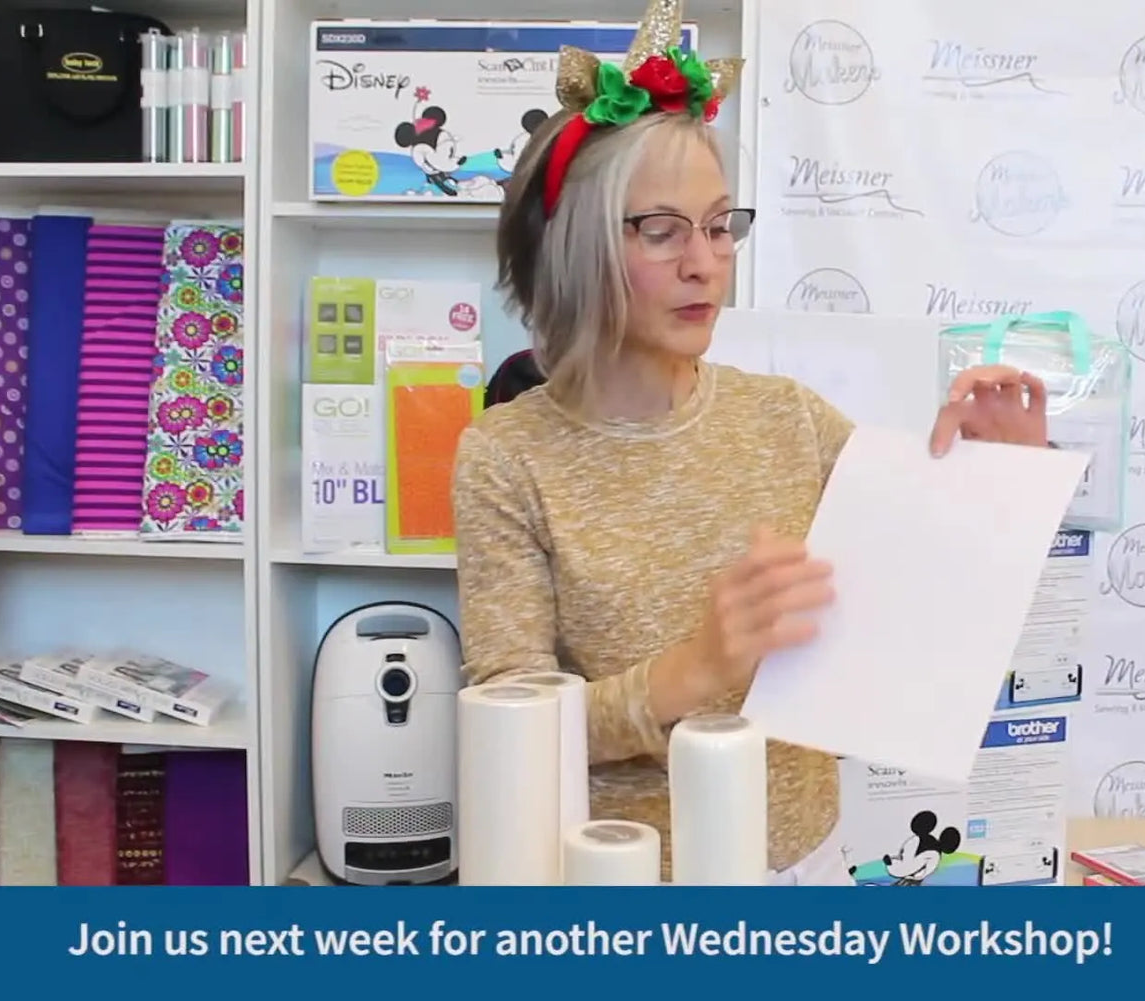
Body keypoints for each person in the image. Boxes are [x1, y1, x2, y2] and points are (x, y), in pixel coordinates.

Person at [450, 15, 1050, 885]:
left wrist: (1002, 484)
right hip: (615, 888)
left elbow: (930, 604)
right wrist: (695, 669)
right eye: (663, 231)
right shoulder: (506, 456)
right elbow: (512, 731)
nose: (707, 263)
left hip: (806, 867)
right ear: (576, 246)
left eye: (721, 224)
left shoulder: (792, 420)